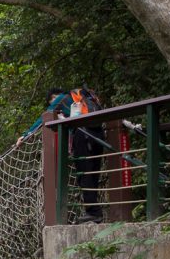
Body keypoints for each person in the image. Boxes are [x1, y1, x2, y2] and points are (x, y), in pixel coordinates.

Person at [18, 87, 105, 223]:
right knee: (93, 172)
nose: (53, 103)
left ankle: (93, 212)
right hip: (98, 134)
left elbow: (45, 117)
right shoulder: (83, 97)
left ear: (55, 96)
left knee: (84, 173)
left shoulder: (61, 99)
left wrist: (25, 136)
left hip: (83, 135)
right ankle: (95, 212)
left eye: (52, 100)